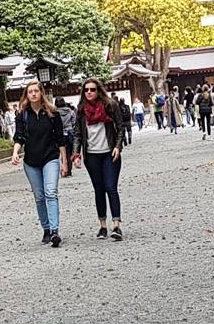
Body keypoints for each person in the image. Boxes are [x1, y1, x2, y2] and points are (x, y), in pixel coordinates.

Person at [11, 80, 68, 247]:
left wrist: (64, 162)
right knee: (39, 196)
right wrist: (15, 152)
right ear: (27, 95)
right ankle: (46, 228)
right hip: (31, 160)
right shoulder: (23, 115)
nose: (34, 94)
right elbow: (19, 136)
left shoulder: (52, 113)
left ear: (41, 93)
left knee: (51, 192)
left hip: (50, 157)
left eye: (36, 91)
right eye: (30, 92)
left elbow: (60, 139)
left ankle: (55, 231)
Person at [73, 78, 127, 241]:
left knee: (111, 187)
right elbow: (77, 133)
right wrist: (76, 154)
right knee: (98, 189)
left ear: (99, 91)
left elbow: (120, 127)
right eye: (86, 90)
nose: (89, 92)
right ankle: (102, 226)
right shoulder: (81, 110)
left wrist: (118, 146)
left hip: (110, 153)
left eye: (92, 89)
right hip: (92, 155)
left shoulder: (110, 106)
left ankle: (116, 225)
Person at [56, 98, 77, 176]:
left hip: (60, 134)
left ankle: (64, 169)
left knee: (62, 153)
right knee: (69, 153)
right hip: (69, 133)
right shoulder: (70, 112)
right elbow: (74, 123)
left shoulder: (55, 113)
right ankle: (69, 171)